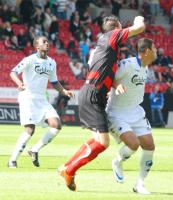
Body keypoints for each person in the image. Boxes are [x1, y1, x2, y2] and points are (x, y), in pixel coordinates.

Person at [58, 15, 145, 191]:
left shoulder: (106, 48)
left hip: (92, 94)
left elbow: (99, 72)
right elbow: (139, 28)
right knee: (103, 143)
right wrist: (139, 18)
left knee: (97, 140)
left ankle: (66, 167)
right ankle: (70, 170)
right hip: (93, 95)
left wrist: (116, 83)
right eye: (121, 28)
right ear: (116, 28)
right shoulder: (111, 37)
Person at [8, 36, 74, 168]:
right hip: (28, 97)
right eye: (43, 42)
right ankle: (12, 160)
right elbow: (13, 72)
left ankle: (34, 150)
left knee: (56, 124)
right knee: (30, 129)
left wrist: (64, 91)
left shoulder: (52, 62)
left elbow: (54, 82)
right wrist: (19, 83)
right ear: (37, 46)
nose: (47, 43)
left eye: (47, 41)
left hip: (41, 99)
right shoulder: (30, 60)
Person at [106, 38, 157, 194]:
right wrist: (116, 85)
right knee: (133, 144)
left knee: (149, 145)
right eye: (154, 48)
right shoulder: (127, 65)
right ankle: (117, 162)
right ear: (147, 51)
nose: (156, 51)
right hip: (117, 112)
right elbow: (108, 78)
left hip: (135, 111)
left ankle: (140, 184)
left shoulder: (146, 67)